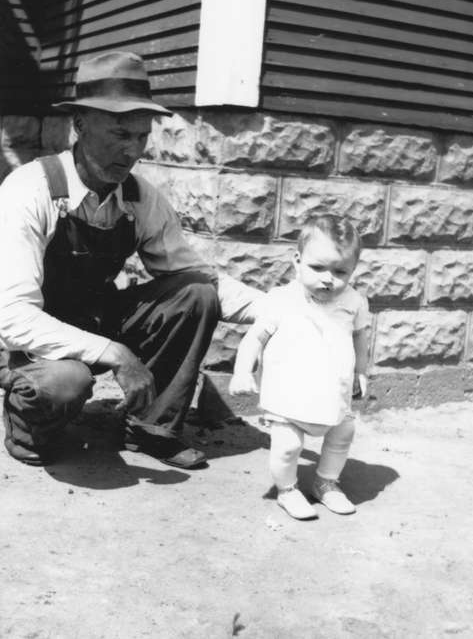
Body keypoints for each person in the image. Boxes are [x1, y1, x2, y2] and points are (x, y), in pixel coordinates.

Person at [0, 51, 261, 469]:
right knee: (65, 383)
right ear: (80, 125)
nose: (133, 150)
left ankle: (153, 430)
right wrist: (117, 354)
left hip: (95, 317)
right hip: (32, 342)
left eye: (141, 136)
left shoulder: (140, 197)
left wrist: (285, 311)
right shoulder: (30, 189)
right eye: (120, 134)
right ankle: (27, 423)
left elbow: (198, 278)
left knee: (194, 294)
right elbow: (13, 318)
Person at [229, 214, 370, 519]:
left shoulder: (354, 301)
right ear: (297, 260)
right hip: (288, 394)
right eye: (317, 267)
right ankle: (287, 490)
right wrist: (242, 370)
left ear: (353, 270)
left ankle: (326, 482)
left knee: (342, 433)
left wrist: (362, 372)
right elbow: (254, 339)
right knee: (288, 446)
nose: (328, 278)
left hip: (335, 390)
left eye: (340, 271)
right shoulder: (281, 300)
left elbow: (360, 337)